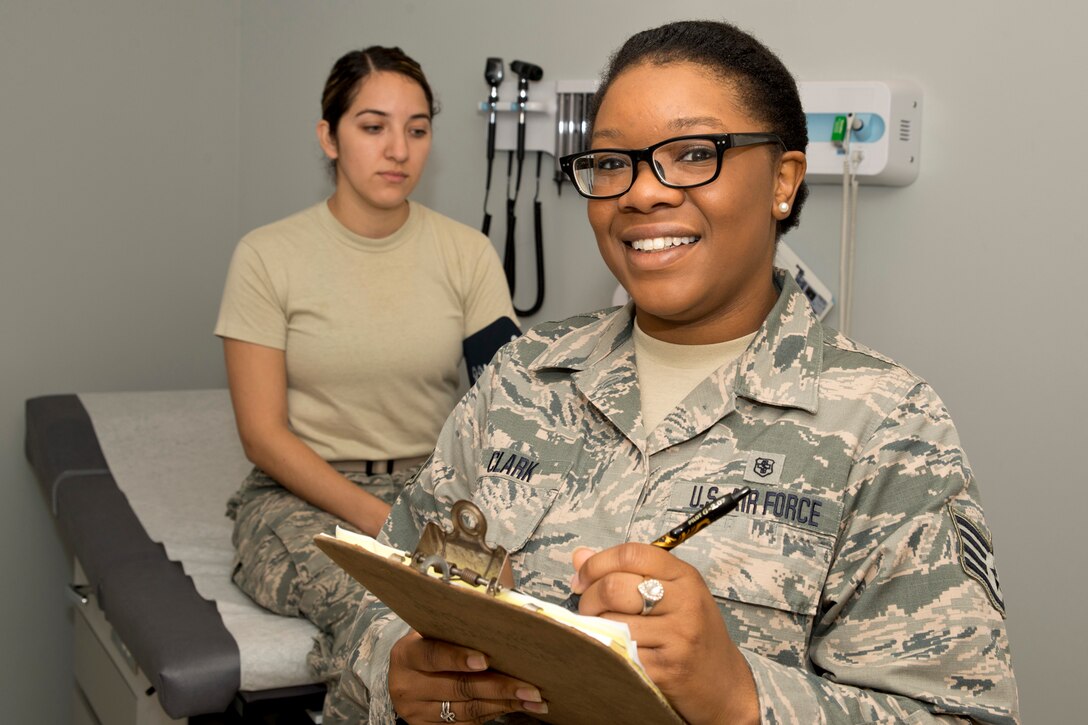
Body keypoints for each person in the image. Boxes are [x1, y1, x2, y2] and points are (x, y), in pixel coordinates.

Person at [338, 20, 1019, 725]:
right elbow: (373, 601)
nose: (641, 192)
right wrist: (396, 672)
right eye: (611, 162)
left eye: (694, 154)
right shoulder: (524, 377)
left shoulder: (885, 427)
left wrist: (738, 696)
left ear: (783, 181)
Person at [213, 46, 517, 721]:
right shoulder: (268, 257)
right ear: (329, 136)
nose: (398, 149)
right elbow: (263, 436)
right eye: (372, 126)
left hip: (434, 488)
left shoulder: (465, 254)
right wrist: (386, 523)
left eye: (417, 128)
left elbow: (506, 408)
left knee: (507, 622)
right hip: (303, 495)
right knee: (386, 615)